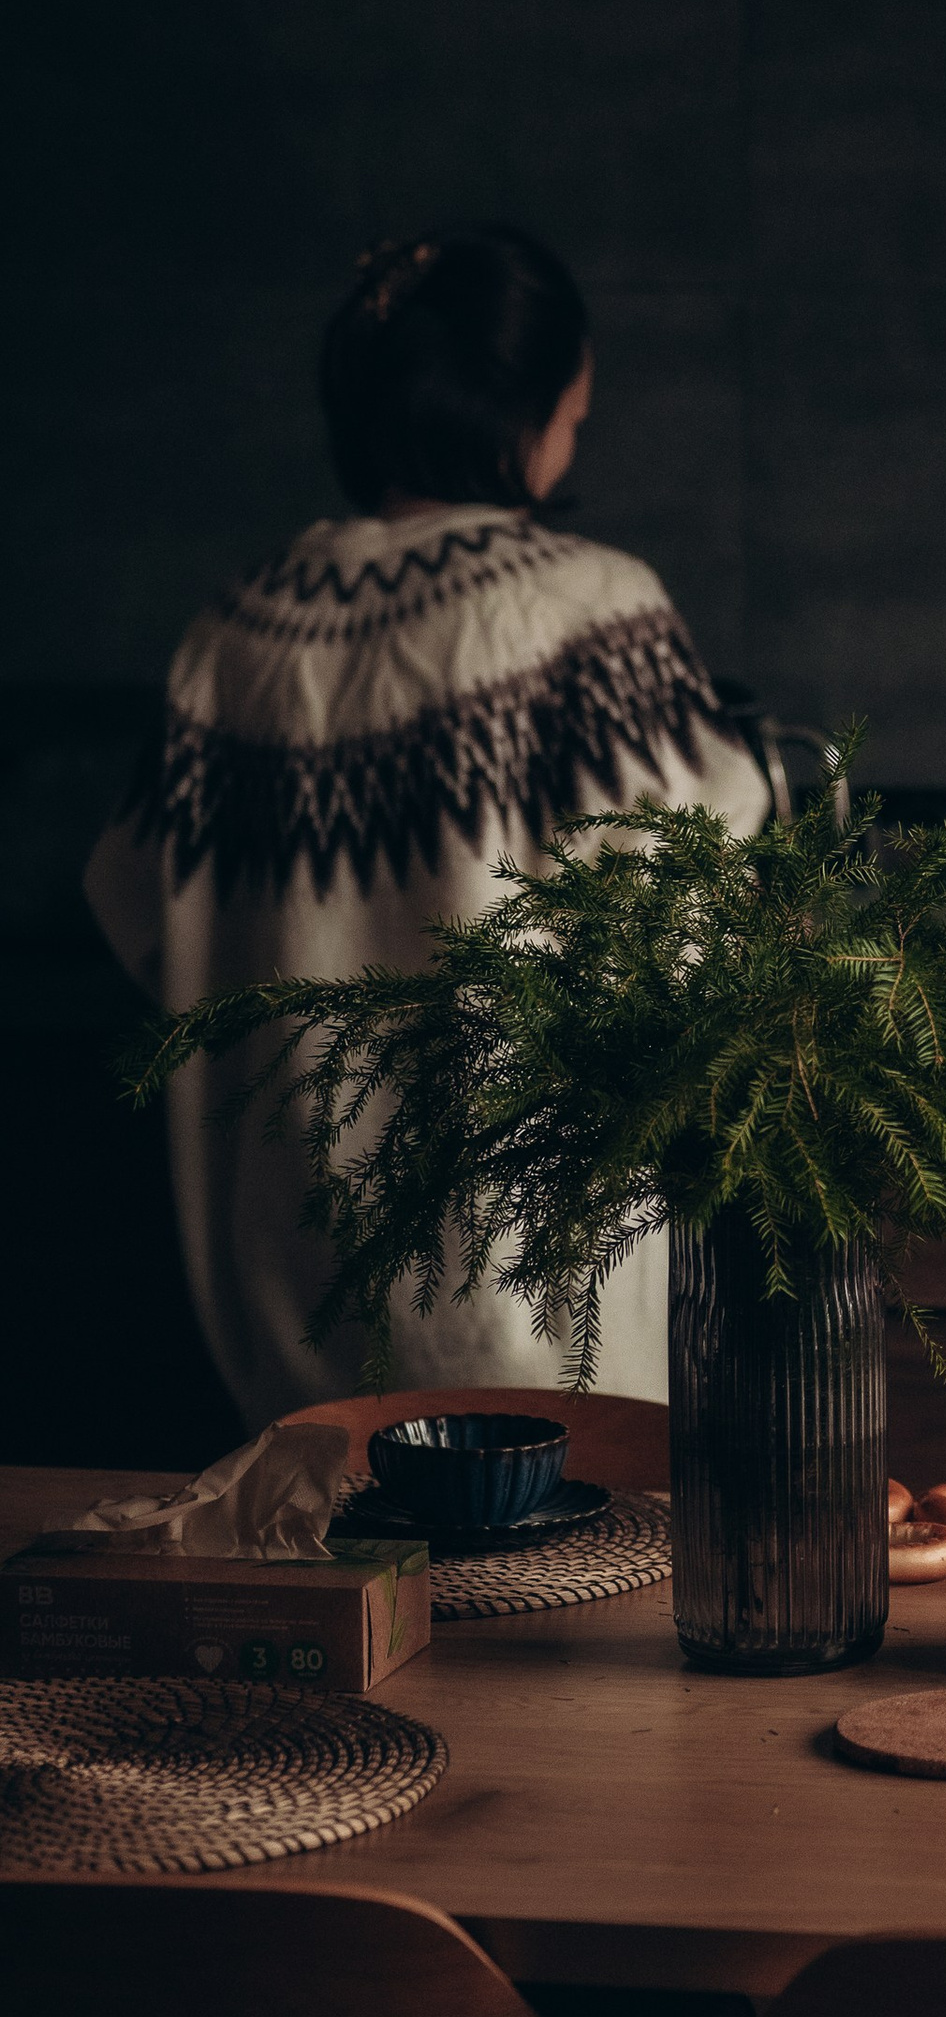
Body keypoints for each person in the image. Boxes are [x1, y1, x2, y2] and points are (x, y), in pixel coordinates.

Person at [86, 228, 772, 1425]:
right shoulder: (589, 613)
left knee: (339, 1600)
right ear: (527, 414)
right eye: (576, 410)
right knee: (567, 1591)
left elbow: (136, 914)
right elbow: (689, 906)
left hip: (279, 1301)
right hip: (546, 1311)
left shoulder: (228, 636)